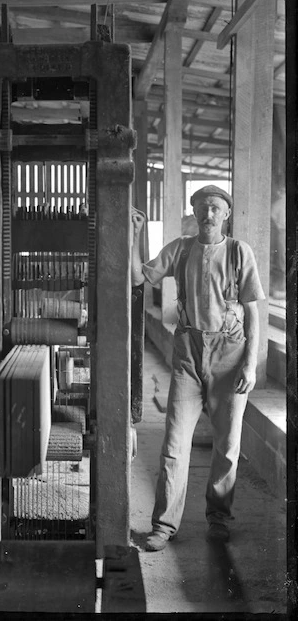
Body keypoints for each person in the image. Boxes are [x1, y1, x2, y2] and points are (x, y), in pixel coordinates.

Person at [131, 185, 265, 551]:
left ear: (226, 214)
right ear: (193, 211)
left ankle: (218, 517)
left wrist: (250, 365)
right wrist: (136, 235)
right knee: (175, 443)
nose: (209, 214)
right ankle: (163, 526)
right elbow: (138, 278)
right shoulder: (181, 247)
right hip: (188, 354)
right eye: (203, 207)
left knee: (227, 444)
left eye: (216, 208)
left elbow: (253, 311)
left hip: (230, 354)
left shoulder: (239, 251)